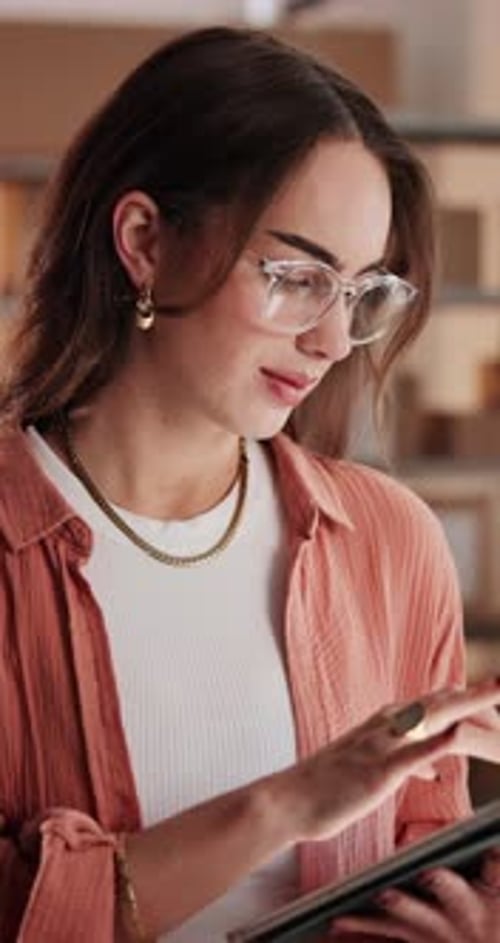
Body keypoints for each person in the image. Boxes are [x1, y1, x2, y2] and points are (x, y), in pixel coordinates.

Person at [0, 24, 500, 943]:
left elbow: (425, 859)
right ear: (145, 240)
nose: (331, 340)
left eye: (360, 293)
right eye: (296, 275)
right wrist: (288, 804)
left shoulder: (392, 539)